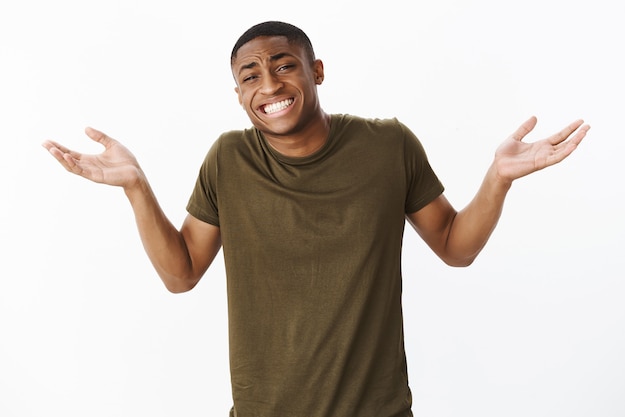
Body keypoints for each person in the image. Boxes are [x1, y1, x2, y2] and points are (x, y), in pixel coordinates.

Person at [42, 21, 589, 417]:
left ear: (316, 71)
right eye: (250, 75)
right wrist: (136, 187)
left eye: (283, 65)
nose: (270, 85)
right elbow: (181, 274)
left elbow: (455, 246)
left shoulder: (388, 145)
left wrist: (498, 178)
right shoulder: (228, 159)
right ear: (239, 95)